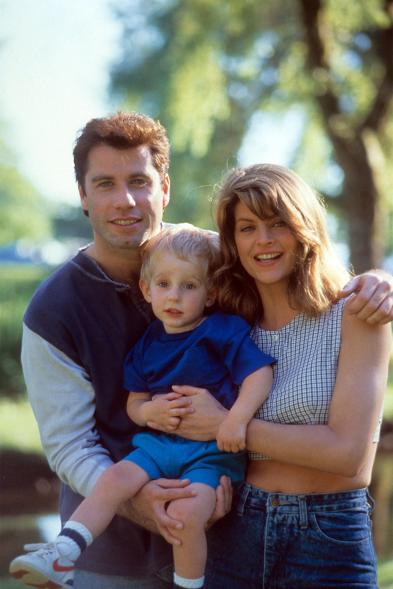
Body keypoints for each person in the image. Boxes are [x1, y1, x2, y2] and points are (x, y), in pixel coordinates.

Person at [9, 111, 393, 589]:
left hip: (233, 524)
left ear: (164, 189)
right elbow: (70, 445)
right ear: (83, 196)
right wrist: (142, 497)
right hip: (118, 555)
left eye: (139, 181)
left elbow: (295, 264)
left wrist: (378, 279)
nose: (125, 200)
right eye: (105, 184)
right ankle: (65, 551)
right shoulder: (54, 310)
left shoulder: (217, 264)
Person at [10, 224, 274, 589]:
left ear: (210, 293)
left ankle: (189, 584)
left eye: (189, 286)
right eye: (164, 284)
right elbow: (135, 403)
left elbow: (259, 373)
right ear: (147, 291)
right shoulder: (149, 342)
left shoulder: (222, 330)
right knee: (115, 478)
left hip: (210, 454)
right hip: (158, 446)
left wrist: (236, 421)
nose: (175, 296)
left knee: (185, 517)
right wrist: (149, 413)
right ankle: (62, 551)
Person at [173, 163, 390, 589]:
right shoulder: (227, 324)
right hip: (234, 527)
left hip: (329, 537)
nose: (264, 240)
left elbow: (349, 455)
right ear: (233, 242)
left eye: (278, 224)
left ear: (304, 228)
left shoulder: (356, 314)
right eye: (247, 227)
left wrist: (228, 426)